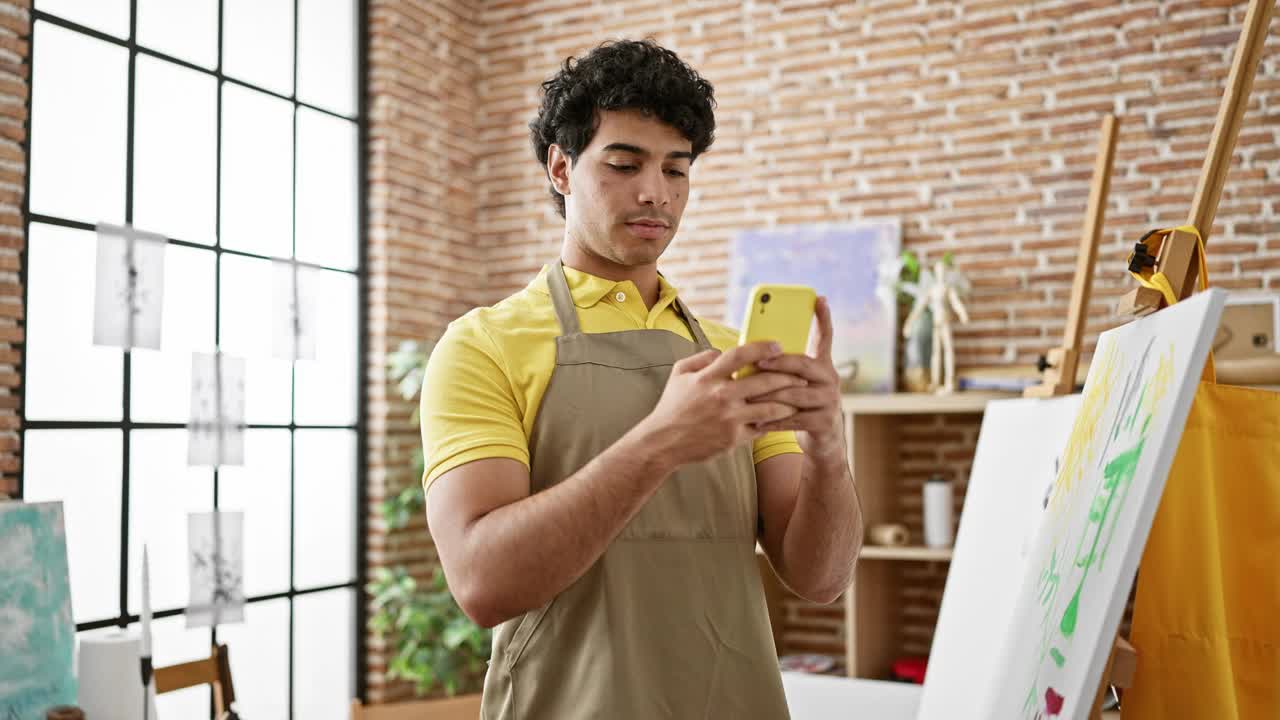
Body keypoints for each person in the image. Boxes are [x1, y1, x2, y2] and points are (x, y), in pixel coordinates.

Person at [420, 39, 863, 719]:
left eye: (676, 170)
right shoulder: (483, 346)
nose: (655, 192)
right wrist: (662, 440)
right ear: (562, 168)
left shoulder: (730, 353)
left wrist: (829, 450)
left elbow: (821, 579)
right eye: (624, 164)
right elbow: (482, 583)